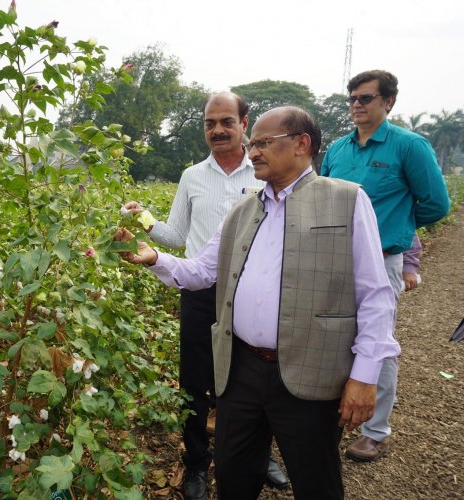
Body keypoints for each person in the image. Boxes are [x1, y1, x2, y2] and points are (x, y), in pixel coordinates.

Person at [117, 106, 400, 499]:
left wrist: (365, 375)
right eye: (253, 145)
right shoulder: (243, 210)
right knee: (234, 475)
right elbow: (202, 271)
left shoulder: (346, 201)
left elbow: (375, 295)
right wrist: (155, 258)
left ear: (302, 144)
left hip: (309, 370)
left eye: (264, 143)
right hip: (241, 369)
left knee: (315, 478)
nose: (252, 153)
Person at [122, 92, 287, 498]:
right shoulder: (192, 176)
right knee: (195, 383)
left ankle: (258, 455)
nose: (217, 130)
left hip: (251, 293)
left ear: (244, 123)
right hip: (200, 288)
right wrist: (142, 217)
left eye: (226, 121)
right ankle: (196, 463)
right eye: (210, 123)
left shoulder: (265, 170)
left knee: (251, 380)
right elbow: (177, 235)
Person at [322, 70, 450, 462]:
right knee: (332, 332)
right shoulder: (338, 150)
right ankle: (333, 411)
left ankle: (375, 430)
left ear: (388, 102)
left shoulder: (409, 146)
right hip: (334, 258)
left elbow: (436, 204)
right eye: (353, 99)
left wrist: (396, 226)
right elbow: (322, 195)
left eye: (366, 98)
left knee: (378, 343)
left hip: (380, 260)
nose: (357, 105)